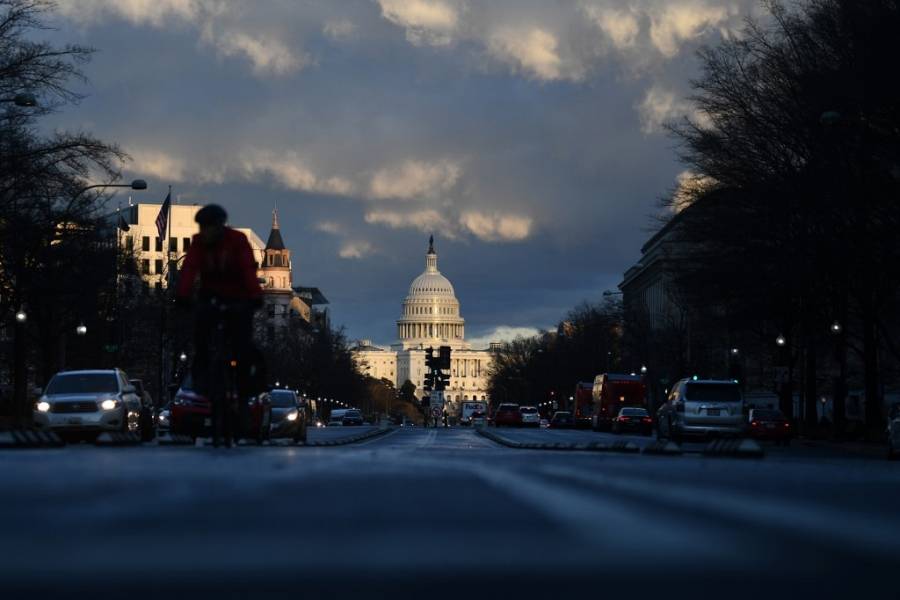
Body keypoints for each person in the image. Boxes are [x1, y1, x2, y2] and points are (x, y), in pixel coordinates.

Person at [175, 204, 263, 444]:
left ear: (220, 226)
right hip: (210, 297)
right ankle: (203, 380)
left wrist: (255, 297)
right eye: (202, 227)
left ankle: (244, 396)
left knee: (243, 347)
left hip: (239, 297)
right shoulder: (198, 244)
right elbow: (189, 270)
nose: (205, 232)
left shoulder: (238, 241)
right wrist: (182, 295)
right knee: (201, 339)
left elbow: (248, 269)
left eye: (209, 227)